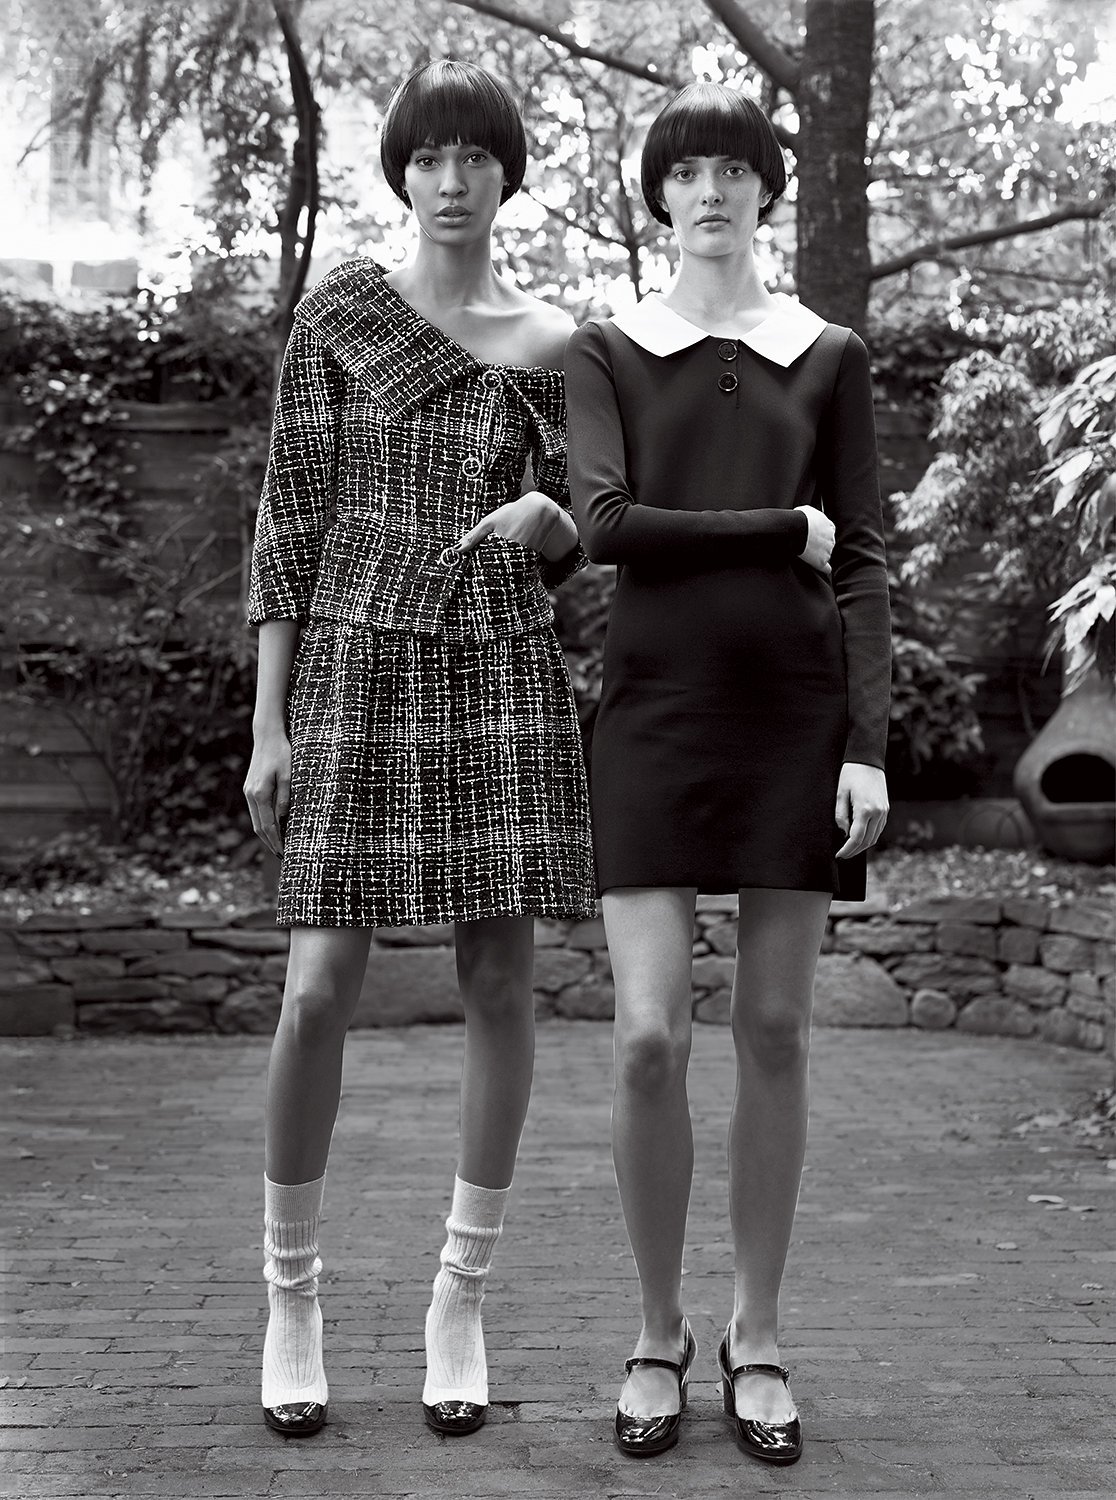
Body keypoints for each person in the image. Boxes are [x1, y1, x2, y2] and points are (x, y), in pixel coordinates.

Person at [243, 58, 595, 1440]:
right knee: (317, 989)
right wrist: (269, 722)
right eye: (431, 158)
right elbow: (290, 521)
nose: (454, 182)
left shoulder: (560, 344)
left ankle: (462, 1296)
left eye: (478, 158)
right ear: (400, 173)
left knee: (500, 980)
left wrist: (553, 528)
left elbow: (590, 525)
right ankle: (290, 1299)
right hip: (351, 662)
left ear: (509, 176)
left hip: (499, 664)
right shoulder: (337, 317)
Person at [564, 83, 891, 1465]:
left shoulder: (829, 354)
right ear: (661, 196)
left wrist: (869, 744)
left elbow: (862, 559)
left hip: (796, 721)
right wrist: (780, 529)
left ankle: (758, 1335)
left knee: (774, 1032)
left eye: (735, 171)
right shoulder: (607, 348)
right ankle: (658, 1333)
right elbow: (604, 524)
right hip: (651, 717)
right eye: (688, 171)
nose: (711, 191)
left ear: (767, 191)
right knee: (647, 1039)